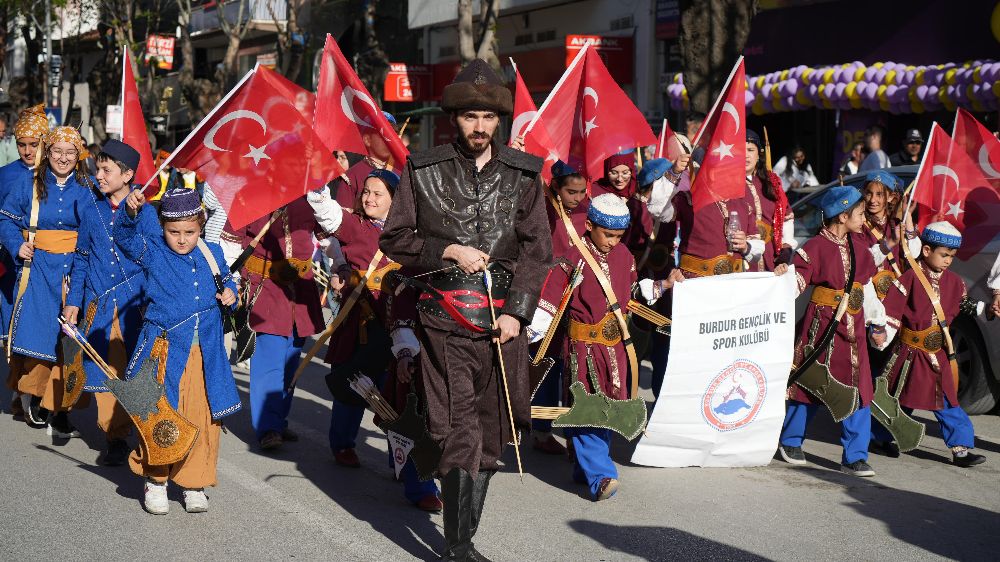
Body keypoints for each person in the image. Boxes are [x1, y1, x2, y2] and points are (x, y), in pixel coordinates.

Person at [380, 59, 551, 561]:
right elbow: (395, 237)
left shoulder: (524, 174)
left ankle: (460, 535)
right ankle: (458, 547)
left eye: (489, 117)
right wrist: (448, 250)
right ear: (454, 118)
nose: (480, 126)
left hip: (503, 325)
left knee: (493, 434)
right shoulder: (422, 168)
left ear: (499, 121)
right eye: (471, 116)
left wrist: (517, 312)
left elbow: (537, 250)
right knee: (458, 430)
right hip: (443, 324)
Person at [307, 168, 443, 511]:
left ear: (396, 201)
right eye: (366, 191)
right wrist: (316, 178)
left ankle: (419, 484)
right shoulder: (356, 226)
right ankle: (342, 443)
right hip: (363, 329)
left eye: (377, 193)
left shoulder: (414, 236)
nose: (368, 198)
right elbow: (327, 212)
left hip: (406, 333)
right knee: (353, 392)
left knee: (405, 407)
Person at [116, 187, 240, 515]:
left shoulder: (213, 251)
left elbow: (228, 280)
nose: (182, 239)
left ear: (201, 226)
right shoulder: (153, 249)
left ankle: (194, 483)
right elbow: (123, 238)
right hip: (165, 350)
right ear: (162, 227)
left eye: (190, 232)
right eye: (174, 232)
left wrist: (230, 292)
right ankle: (156, 481)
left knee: (202, 417)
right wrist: (128, 212)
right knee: (162, 414)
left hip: (206, 354)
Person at [531, 194, 642, 500]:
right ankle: (601, 475)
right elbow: (549, 301)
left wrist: (663, 286)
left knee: (608, 410)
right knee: (588, 407)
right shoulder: (572, 257)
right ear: (590, 225)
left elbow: (631, 292)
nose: (613, 242)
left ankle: (585, 468)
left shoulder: (625, 255)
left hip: (615, 349)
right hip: (584, 350)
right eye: (608, 235)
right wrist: (527, 331)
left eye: (619, 236)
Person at [777, 186, 888, 477]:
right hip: (822, 327)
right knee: (811, 382)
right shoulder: (814, 247)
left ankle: (855, 456)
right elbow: (796, 283)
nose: (864, 218)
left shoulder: (860, 248)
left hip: (855, 331)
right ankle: (791, 441)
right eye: (860, 213)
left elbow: (866, 289)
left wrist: (877, 322)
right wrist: (782, 278)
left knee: (860, 389)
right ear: (842, 215)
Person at [63, 139, 159, 466]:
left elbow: (156, 258)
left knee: (136, 371)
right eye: (97, 169)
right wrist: (74, 301)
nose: (99, 176)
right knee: (105, 370)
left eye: (106, 170)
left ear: (128, 175)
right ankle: (114, 436)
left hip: (136, 307)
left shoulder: (147, 214)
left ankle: (140, 431)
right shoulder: (93, 211)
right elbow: (81, 258)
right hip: (99, 305)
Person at [0, 126, 94, 435]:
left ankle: (61, 408)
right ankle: (33, 395)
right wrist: (17, 244)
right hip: (37, 269)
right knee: (38, 336)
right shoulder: (29, 183)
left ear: (78, 155)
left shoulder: (88, 188)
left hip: (74, 271)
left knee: (69, 342)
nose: (63, 158)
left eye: (70, 152)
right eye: (57, 151)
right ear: (48, 152)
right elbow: (5, 219)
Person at [871, 222, 987, 467]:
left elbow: (963, 305)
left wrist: (987, 309)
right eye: (944, 255)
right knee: (900, 398)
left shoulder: (955, 281)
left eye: (951, 256)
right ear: (926, 250)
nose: (948, 261)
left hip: (937, 354)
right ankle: (879, 437)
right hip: (909, 354)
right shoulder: (910, 277)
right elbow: (892, 310)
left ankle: (961, 448)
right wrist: (882, 331)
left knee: (947, 400)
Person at [220, 192, 326, 450]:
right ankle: (268, 427)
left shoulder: (312, 194)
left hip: (301, 291)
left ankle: (278, 418)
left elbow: (328, 237)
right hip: (265, 287)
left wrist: (341, 267)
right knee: (269, 359)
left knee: (291, 360)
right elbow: (230, 244)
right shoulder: (250, 195)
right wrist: (231, 282)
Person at [0, 103, 48, 417]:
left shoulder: (59, 175)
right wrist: (13, 244)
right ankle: (22, 392)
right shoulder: (5, 175)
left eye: (34, 144)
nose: (28, 151)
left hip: (50, 264)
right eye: (22, 145)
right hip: (12, 264)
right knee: (16, 331)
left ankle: (35, 395)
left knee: (42, 330)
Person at [745, 130, 795, 272]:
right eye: (740, 151)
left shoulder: (771, 182)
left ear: (759, 154)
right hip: (741, 261)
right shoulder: (727, 185)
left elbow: (786, 218)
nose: (745, 155)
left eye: (750, 150)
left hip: (770, 260)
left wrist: (784, 254)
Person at [328, 111, 399, 209]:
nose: (389, 139)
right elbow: (344, 217)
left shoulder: (404, 170)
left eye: (393, 134)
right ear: (367, 140)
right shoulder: (351, 177)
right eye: (383, 134)